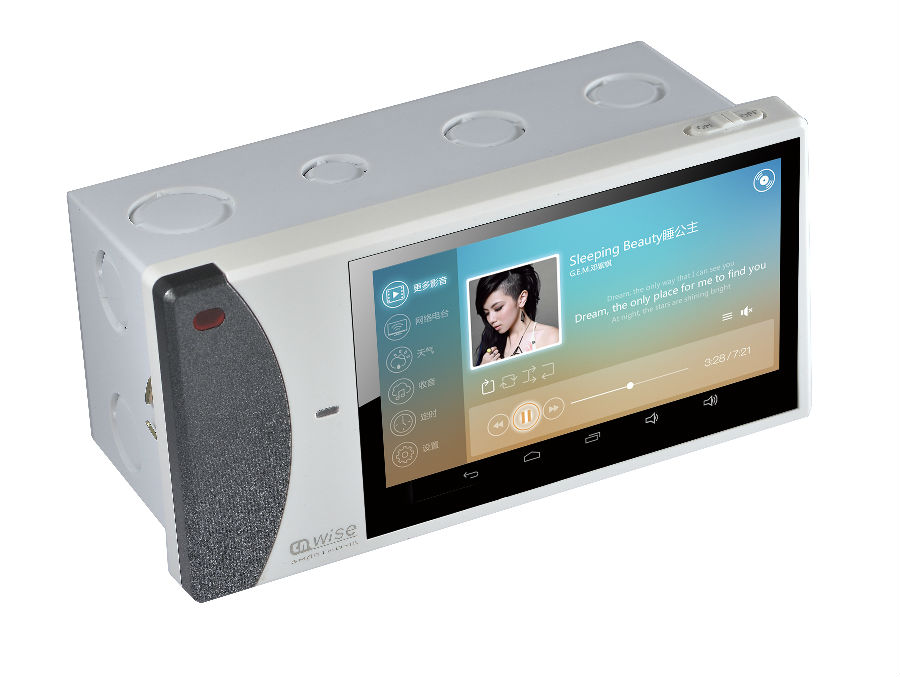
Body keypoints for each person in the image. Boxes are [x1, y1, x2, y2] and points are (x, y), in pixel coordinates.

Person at [473, 264, 559, 367]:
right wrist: (483, 367)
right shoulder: (491, 344)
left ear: (522, 299)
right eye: (486, 313)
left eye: (498, 308)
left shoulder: (550, 337)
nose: (491, 319)